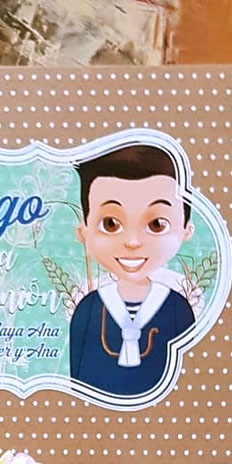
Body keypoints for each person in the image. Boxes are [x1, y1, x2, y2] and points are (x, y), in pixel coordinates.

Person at [70, 144, 196, 399]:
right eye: (110, 224)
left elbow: (189, 383)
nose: (133, 242)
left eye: (156, 224)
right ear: (83, 232)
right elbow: (78, 382)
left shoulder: (177, 309)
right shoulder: (89, 309)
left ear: (186, 231)